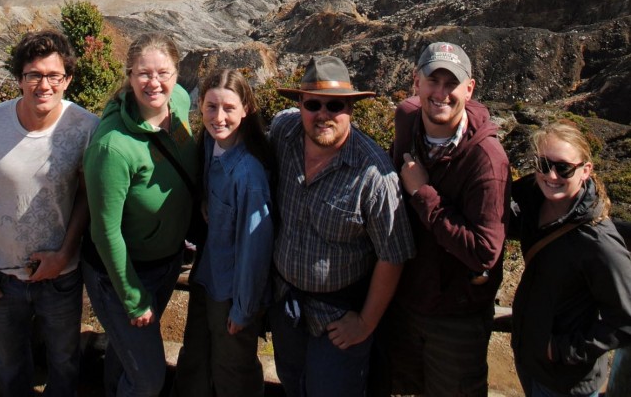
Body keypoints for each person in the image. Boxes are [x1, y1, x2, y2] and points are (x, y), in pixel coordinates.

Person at [268, 53, 414, 397]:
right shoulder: (283, 134)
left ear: (350, 109)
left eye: (334, 105)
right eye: (313, 104)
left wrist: (365, 323)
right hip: (286, 305)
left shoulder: (374, 174)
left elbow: (393, 255)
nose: (323, 114)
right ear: (300, 105)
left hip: (338, 318)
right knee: (292, 384)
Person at [0, 29, 99, 397]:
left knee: (64, 360)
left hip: (62, 277)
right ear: (20, 78)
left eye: (54, 76)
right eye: (34, 75)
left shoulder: (86, 129)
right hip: (1, 275)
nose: (44, 85)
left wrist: (64, 255)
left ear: (68, 80)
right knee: (9, 363)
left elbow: (87, 199)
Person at [387, 39, 510, 397]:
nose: (441, 93)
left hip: (455, 318)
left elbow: (485, 251)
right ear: (416, 82)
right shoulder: (406, 118)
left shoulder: (487, 160)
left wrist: (423, 194)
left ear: (469, 89)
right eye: (432, 81)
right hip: (405, 301)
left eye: (451, 83)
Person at [83, 31, 197, 397]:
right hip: (121, 277)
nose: (154, 83)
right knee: (148, 378)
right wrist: (132, 296)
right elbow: (105, 232)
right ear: (129, 75)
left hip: (166, 261)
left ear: (177, 73)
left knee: (126, 353)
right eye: (144, 73)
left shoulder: (179, 102)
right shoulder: (113, 147)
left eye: (163, 72)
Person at [510, 120, 631, 397]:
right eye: (543, 164)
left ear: (585, 170)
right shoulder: (535, 198)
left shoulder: (598, 241)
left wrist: (564, 350)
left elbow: (625, 319)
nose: (551, 175)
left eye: (563, 167)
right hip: (532, 363)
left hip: (565, 382)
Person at [173, 68, 275, 397]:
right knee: (195, 361)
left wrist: (244, 309)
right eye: (211, 107)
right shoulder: (208, 144)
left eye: (229, 108)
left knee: (233, 372)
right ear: (200, 106)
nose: (219, 117)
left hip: (231, 292)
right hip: (207, 277)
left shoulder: (248, 174)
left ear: (246, 109)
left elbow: (254, 249)